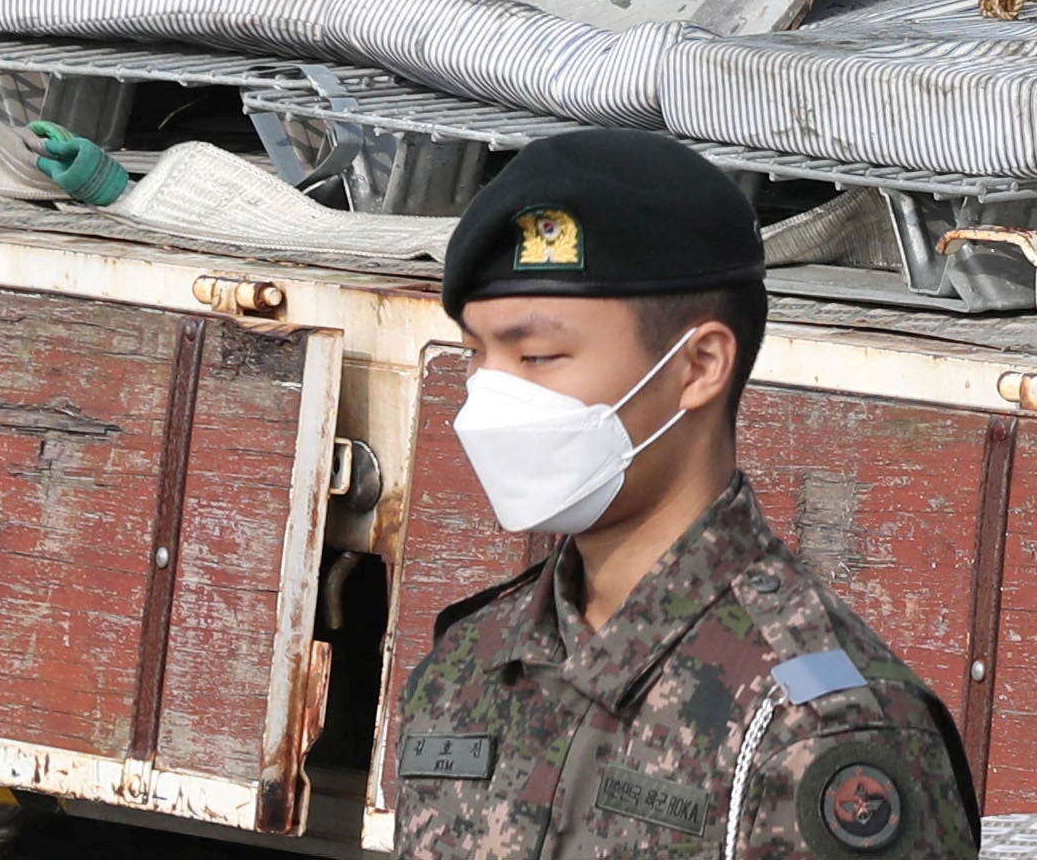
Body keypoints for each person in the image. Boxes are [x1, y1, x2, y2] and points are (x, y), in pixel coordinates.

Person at [394, 129, 977, 858]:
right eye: (479, 354)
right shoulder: (465, 668)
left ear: (699, 365)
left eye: (537, 355)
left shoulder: (817, 729)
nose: (491, 396)